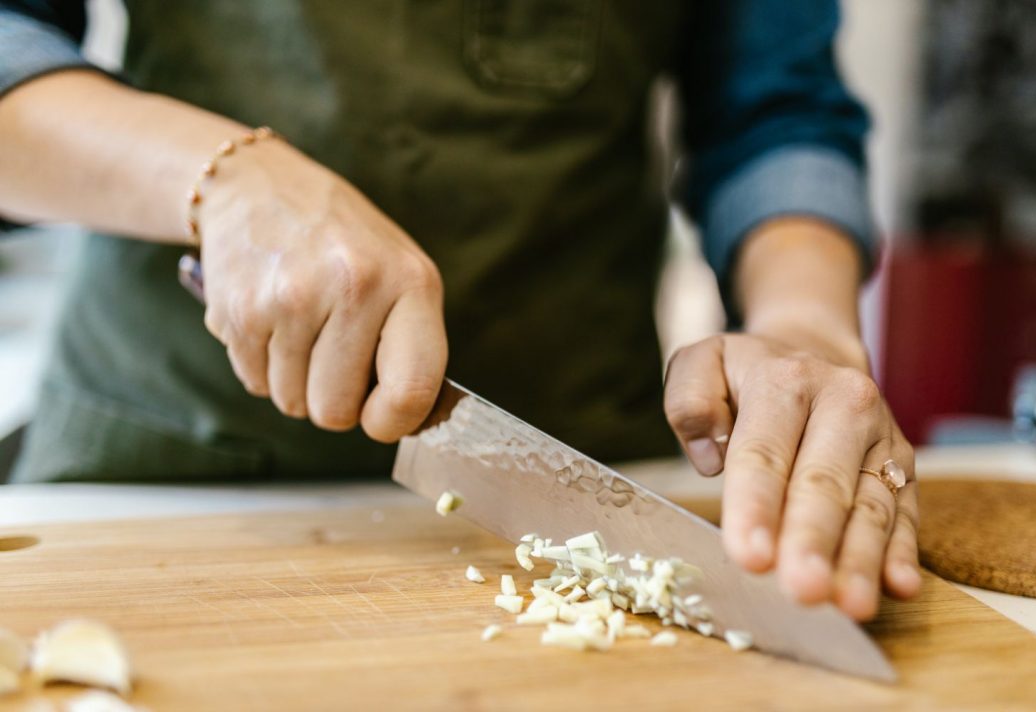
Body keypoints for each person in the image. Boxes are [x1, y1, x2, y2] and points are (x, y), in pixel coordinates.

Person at [0, 0, 920, 621]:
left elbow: (778, 112)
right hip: (156, 456)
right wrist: (223, 180)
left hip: (572, 458)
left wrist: (804, 325)